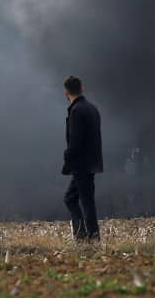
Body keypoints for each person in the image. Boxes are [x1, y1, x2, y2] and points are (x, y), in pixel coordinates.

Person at [61, 76, 103, 241]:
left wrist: (67, 159)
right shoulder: (92, 108)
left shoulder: (77, 110)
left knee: (86, 203)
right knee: (72, 199)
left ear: (66, 93)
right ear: (82, 89)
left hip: (81, 164)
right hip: (91, 163)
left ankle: (89, 238)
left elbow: (75, 141)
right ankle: (85, 236)